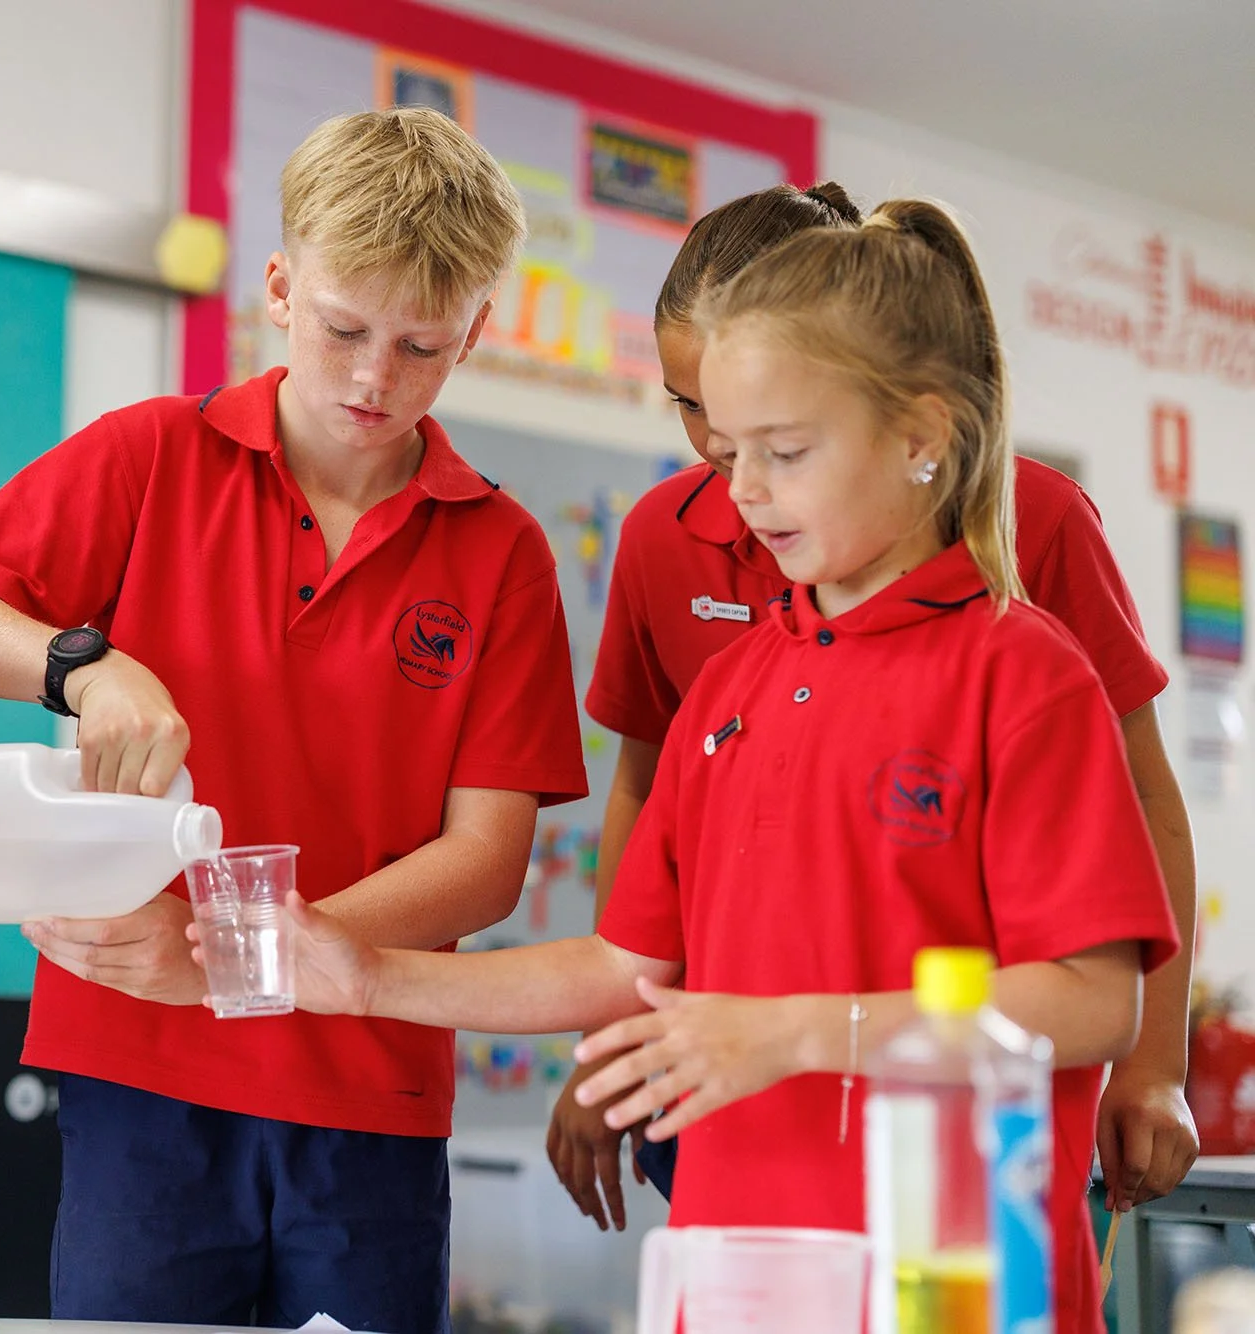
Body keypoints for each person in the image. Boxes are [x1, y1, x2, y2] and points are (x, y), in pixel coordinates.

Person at [261, 200, 1179, 1334]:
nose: (742, 492)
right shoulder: (730, 690)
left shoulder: (1021, 672)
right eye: (728, 449)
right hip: (733, 1263)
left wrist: (795, 1031)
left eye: (784, 453)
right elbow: (618, 962)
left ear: (918, 435)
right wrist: (366, 975)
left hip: (951, 1277)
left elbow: (1086, 999)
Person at [0, 107, 586, 1333]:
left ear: (471, 333)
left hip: (368, 1088)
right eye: (344, 328)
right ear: (277, 287)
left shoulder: (501, 549)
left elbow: (484, 861)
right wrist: (79, 664)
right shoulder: (152, 455)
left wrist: (224, 961)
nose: (372, 378)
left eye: (419, 346)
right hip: (135, 1076)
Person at [547, 182, 1199, 1234]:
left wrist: (1152, 1060)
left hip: (948, 1132)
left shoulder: (1027, 545)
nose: (730, 467)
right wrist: (617, 1042)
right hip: (737, 1101)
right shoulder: (668, 541)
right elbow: (644, 801)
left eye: (777, 438)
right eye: (692, 409)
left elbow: (1136, 813)